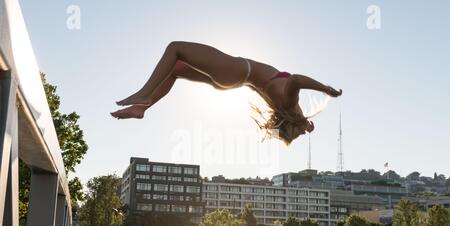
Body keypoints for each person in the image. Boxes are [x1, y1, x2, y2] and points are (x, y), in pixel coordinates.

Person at [111, 41, 342, 145]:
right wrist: (303, 125)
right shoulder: (286, 111)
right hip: (231, 81)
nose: (303, 128)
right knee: (176, 71)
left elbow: (296, 79)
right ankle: (143, 107)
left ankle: (143, 95)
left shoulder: (288, 103)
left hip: (237, 71)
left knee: (175, 49)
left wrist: (326, 90)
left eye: (299, 130)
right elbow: (290, 125)